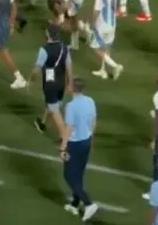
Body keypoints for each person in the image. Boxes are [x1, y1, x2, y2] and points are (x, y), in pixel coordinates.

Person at [59, 77, 100, 221]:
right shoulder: (90, 101)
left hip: (74, 144)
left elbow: (69, 128)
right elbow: (93, 122)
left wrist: (63, 148)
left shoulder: (71, 106)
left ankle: (88, 203)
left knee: (69, 175)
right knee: (79, 174)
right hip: (86, 142)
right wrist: (92, 140)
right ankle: (75, 204)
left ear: (71, 88)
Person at [31, 24, 72, 137]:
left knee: (55, 111)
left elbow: (36, 69)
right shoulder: (65, 47)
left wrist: (31, 80)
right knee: (53, 104)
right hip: (61, 82)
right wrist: (70, 83)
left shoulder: (44, 50)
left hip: (50, 82)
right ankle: (42, 123)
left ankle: (65, 138)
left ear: (48, 34)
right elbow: (69, 66)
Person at [90, 0, 123, 79]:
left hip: (102, 26)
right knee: (105, 48)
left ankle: (115, 66)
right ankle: (103, 71)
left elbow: (96, 12)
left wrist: (93, 24)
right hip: (112, 24)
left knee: (95, 47)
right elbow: (114, 3)